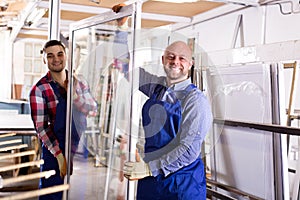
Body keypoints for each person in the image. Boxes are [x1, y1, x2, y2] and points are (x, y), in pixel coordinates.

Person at [111, 5, 212, 199]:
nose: (175, 62)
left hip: (181, 185)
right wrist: (122, 30)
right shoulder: (156, 88)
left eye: (182, 58)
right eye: (171, 57)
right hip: (152, 183)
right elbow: (125, 67)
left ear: (190, 65)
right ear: (163, 59)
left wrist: (149, 168)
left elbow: (188, 150)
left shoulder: (196, 101)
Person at [29, 40, 97, 200]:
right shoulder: (39, 90)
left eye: (60, 54)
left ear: (66, 56)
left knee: (76, 193)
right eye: (50, 56)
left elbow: (93, 110)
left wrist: (74, 96)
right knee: (52, 194)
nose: (56, 59)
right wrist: (59, 157)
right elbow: (41, 128)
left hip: (79, 149)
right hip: (54, 153)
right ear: (44, 60)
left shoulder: (79, 84)